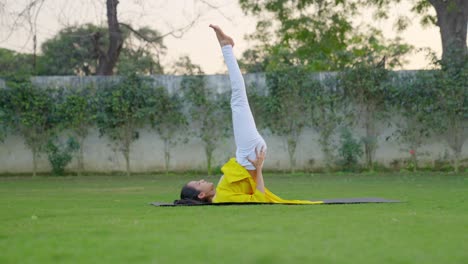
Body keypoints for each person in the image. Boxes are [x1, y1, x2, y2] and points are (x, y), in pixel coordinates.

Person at [175, 25, 321, 205]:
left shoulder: (220, 194)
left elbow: (252, 192)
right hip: (249, 156)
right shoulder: (222, 197)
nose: (202, 180)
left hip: (246, 156)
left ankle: (227, 46)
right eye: (199, 183)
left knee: (238, 100)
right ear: (201, 195)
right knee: (238, 99)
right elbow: (258, 199)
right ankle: (227, 47)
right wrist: (258, 168)